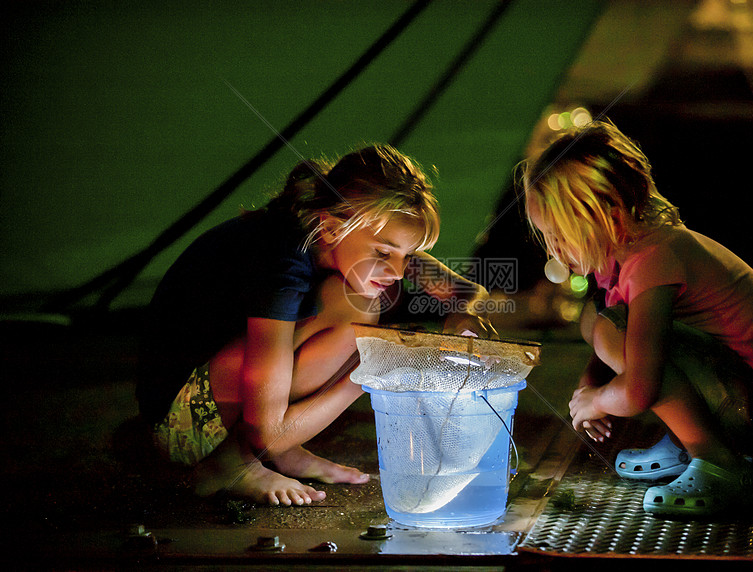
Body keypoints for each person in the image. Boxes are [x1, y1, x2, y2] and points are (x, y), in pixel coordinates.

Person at [137, 144, 496, 506]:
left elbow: (467, 292)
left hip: (215, 399)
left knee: (358, 305)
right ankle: (228, 465)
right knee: (358, 319)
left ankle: (280, 456)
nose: (400, 271)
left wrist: (463, 314)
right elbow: (269, 433)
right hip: (182, 425)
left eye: (408, 255)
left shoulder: (350, 232)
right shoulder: (282, 264)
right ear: (330, 228)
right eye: (384, 253)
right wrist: (377, 370)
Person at [522, 120, 753, 517]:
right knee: (597, 318)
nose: (553, 252)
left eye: (559, 235)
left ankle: (718, 462)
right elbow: (611, 333)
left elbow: (640, 386)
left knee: (608, 326)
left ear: (610, 217)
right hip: (742, 391)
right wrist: (588, 389)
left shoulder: (653, 261)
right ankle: (686, 442)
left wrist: (599, 400)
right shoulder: (625, 256)